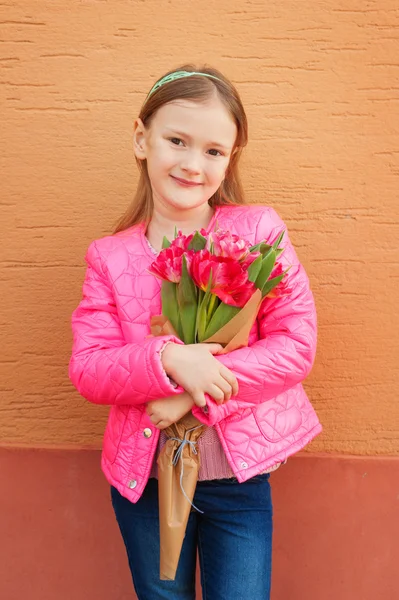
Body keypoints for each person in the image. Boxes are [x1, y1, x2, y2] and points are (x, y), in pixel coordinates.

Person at [69, 64, 322, 600]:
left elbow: (295, 347)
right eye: (176, 140)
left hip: (238, 478)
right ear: (142, 139)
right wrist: (168, 360)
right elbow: (89, 368)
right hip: (145, 481)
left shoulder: (258, 234)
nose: (191, 163)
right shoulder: (109, 257)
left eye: (213, 150)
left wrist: (192, 390)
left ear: (231, 159)